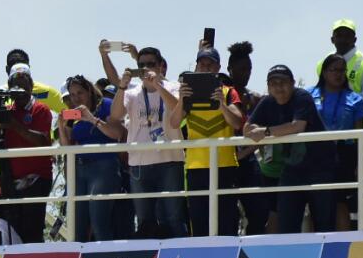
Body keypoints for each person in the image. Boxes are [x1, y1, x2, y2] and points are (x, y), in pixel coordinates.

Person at [244, 65, 338, 233]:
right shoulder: (267, 102)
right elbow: (247, 129)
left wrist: (265, 131)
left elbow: (297, 126)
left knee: (324, 225)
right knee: (286, 225)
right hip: (292, 169)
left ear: (293, 83)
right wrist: (255, 129)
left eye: (283, 82)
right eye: (273, 83)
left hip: (321, 168)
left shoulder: (302, 97)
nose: (278, 87)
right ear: (268, 86)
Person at [108, 46, 187, 238]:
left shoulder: (173, 86)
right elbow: (116, 116)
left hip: (170, 161)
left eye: (150, 64)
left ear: (161, 66)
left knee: (174, 217)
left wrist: (158, 86)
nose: (145, 69)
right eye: (141, 66)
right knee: (144, 220)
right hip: (139, 164)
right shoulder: (131, 92)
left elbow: (179, 111)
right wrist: (121, 86)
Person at [176, 46, 245, 237]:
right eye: (202, 64)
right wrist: (181, 100)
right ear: (196, 66)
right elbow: (174, 123)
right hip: (196, 166)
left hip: (225, 165)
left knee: (227, 220)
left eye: (210, 64)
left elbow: (237, 122)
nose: (206, 68)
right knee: (198, 222)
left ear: (218, 67)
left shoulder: (229, 91)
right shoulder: (187, 92)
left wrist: (222, 105)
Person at [0, 65, 53, 243]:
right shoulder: (5, 110)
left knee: (32, 232)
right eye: (16, 85)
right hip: (9, 181)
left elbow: (43, 142)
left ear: (31, 85)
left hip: (36, 180)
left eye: (24, 84)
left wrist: (14, 125)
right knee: (10, 233)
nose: (20, 89)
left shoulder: (41, 109)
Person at [59, 75, 121, 242]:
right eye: (72, 94)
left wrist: (91, 119)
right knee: (77, 224)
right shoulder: (74, 114)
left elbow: (117, 134)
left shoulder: (106, 105)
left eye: (80, 93)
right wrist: (61, 125)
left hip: (103, 167)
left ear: (90, 92)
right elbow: (67, 149)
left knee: (99, 221)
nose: (76, 98)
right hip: (79, 169)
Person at [310, 54, 363, 230]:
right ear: (324, 72)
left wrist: (360, 164)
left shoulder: (355, 99)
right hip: (316, 152)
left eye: (342, 70)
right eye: (333, 70)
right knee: (316, 202)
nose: (338, 74)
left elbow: (360, 135)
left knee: (340, 201)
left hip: (344, 153)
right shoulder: (309, 94)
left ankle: (343, 246)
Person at [226, 40, 271, 236]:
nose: (247, 73)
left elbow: (261, 132)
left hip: (248, 159)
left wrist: (245, 153)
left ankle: (253, 246)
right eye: (242, 68)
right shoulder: (222, 95)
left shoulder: (256, 98)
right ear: (230, 69)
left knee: (259, 210)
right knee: (227, 213)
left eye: (249, 68)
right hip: (225, 160)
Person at [318, 19, 363, 110]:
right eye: (339, 35)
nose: (343, 40)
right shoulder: (323, 62)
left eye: (348, 36)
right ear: (332, 39)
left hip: (357, 122)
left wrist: (343, 101)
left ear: (355, 39)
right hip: (326, 122)